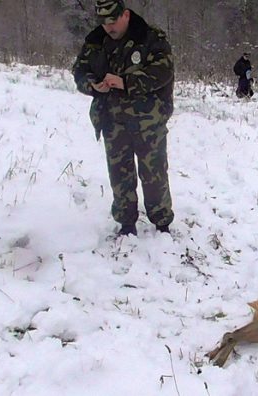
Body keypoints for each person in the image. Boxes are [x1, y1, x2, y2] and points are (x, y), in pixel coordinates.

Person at [73, 0, 174, 236]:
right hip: (112, 120)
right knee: (120, 174)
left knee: (154, 173)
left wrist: (127, 83)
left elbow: (163, 72)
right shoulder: (95, 41)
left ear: (126, 15)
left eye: (113, 20)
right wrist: (92, 85)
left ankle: (161, 223)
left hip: (148, 120)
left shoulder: (150, 38)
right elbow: (79, 70)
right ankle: (126, 223)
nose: (109, 27)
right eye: (104, 21)